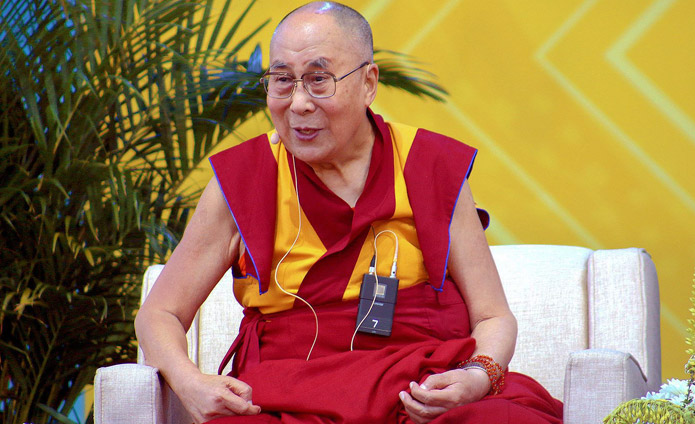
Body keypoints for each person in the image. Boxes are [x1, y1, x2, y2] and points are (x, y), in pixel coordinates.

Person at [135, 2, 563, 423]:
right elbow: (160, 313)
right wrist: (190, 383)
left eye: (318, 80)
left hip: (420, 395)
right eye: (282, 80)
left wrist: (476, 376)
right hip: (288, 401)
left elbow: (492, 316)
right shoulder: (245, 179)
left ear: (369, 83)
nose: (298, 103)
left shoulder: (427, 165)